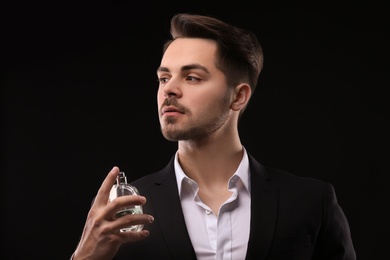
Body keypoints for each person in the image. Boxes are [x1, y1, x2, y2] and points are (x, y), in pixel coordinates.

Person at [72, 13, 356, 260]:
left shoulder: (311, 201)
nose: (169, 90)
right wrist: (85, 256)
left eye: (192, 77)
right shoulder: (122, 213)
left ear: (239, 96)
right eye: (163, 78)